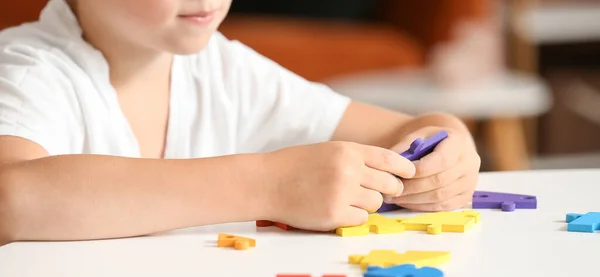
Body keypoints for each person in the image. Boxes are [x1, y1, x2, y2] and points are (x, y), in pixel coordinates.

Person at [0, 0, 481, 246]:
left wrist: (446, 147)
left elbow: (411, 129)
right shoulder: (30, 69)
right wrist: (268, 184)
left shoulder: (224, 69)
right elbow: (13, 197)